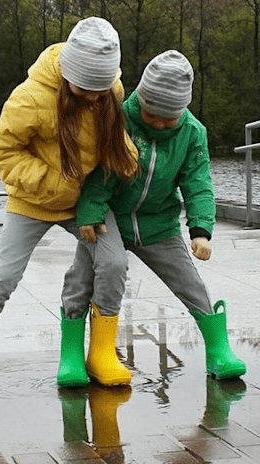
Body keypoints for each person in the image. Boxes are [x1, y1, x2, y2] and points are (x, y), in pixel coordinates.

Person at [0, 17, 139, 395]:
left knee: (113, 262)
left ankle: (101, 353)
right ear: (68, 75)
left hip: (84, 201)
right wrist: (59, 186)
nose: (96, 98)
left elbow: (114, 140)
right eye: (88, 89)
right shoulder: (30, 97)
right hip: (33, 200)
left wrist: (124, 162)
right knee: (3, 276)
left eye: (102, 90)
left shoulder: (108, 89)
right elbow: (2, 151)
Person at [76, 50, 247, 380]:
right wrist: (91, 209)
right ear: (141, 98)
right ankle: (77, 352)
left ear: (182, 110)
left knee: (190, 283)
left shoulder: (193, 133)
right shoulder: (120, 117)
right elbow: (99, 169)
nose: (157, 123)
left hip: (159, 223)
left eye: (168, 119)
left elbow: (198, 182)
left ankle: (218, 349)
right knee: (83, 280)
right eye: (150, 113)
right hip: (110, 217)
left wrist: (201, 230)